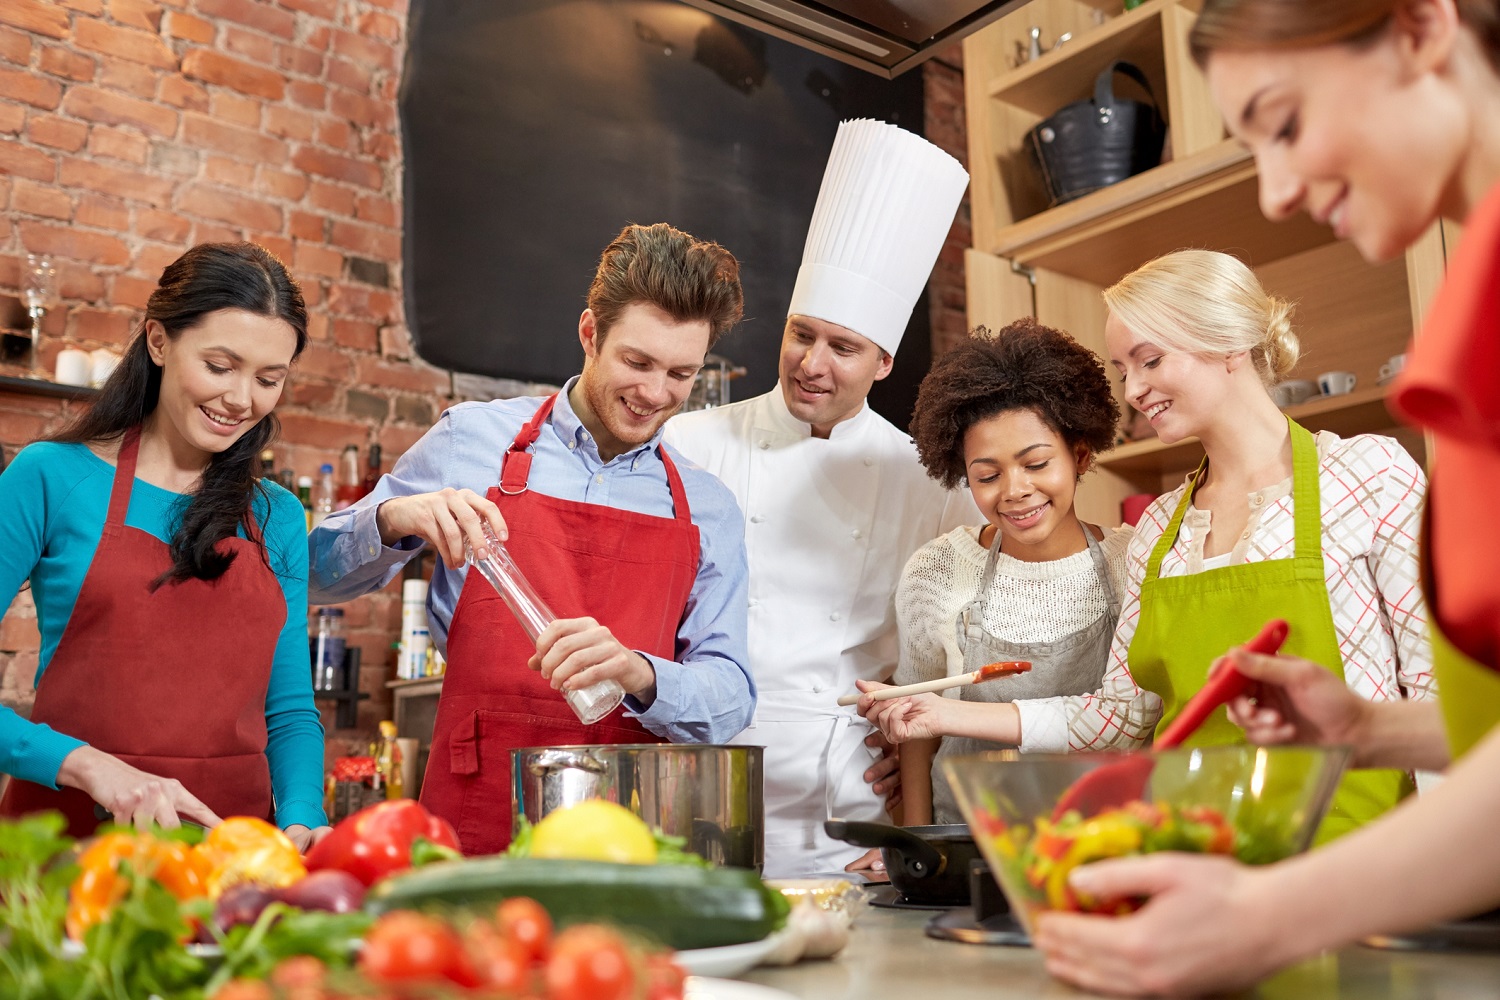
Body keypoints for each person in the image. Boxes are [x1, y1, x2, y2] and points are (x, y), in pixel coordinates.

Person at [1032, 1, 1500, 993]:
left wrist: (1265, 915)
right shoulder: (1472, 328)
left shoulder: (1373, 468)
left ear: (1421, 27)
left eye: (1283, 122)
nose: (1277, 193)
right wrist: (1367, 731)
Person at [309, 223, 755, 855]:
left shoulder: (707, 508)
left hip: (627, 835)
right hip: (474, 814)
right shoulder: (471, 441)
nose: (656, 394)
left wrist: (641, 673)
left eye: (680, 374)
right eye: (637, 362)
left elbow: (732, 694)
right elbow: (310, 577)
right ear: (589, 334)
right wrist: (390, 520)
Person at [664, 118, 977, 877]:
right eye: (802, 334)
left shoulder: (929, 477)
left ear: (884, 361)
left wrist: (914, 767)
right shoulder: (689, 444)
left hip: (847, 801)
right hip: (699, 780)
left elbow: (966, 653)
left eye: (843, 348)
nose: (811, 363)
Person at [0, 242, 329, 848]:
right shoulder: (51, 477)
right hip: (69, 850)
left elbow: (288, 710)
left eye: (268, 379)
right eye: (220, 365)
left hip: (228, 861)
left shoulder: (276, 516)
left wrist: (305, 819)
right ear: (158, 342)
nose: (240, 400)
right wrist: (87, 765)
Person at [859, 320, 1130, 826]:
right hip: (968, 841)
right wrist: (922, 848)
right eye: (987, 475)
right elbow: (920, 732)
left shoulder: (1131, 563)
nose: (1014, 490)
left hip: (1103, 843)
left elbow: (1135, 718)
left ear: (1080, 455)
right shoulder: (937, 572)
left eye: (1036, 463)